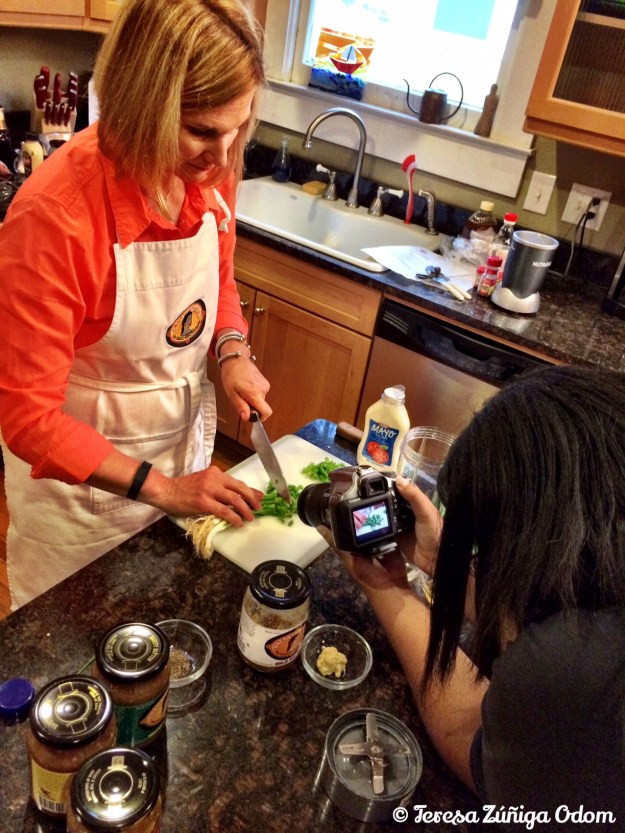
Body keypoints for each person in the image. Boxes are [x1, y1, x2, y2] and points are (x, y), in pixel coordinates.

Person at [0, 0, 272, 610]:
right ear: (141, 103)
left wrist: (231, 350)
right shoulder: (56, 216)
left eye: (239, 127)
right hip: (80, 515)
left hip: (183, 470)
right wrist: (164, 489)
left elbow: (220, 282)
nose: (225, 158)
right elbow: (28, 420)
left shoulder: (207, 173)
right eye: (202, 130)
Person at [330, 365, 625, 827]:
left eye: (480, 550)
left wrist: (384, 586)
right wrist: (439, 563)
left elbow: (478, 745)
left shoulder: (576, 670)